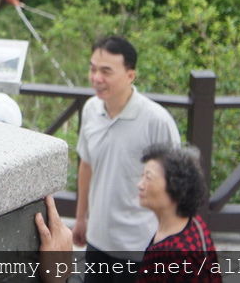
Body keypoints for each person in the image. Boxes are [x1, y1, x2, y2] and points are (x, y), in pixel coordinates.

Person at [73, 36, 180, 283]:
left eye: (106, 71)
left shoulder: (156, 120)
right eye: (93, 68)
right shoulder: (91, 109)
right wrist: (80, 219)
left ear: (130, 75)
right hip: (97, 239)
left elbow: (177, 184)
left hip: (139, 244)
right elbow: (86, 165)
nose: (96, 78)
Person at [136, 144, 222, 283]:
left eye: (148, 178)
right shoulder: (194, 223)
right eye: (142, 176)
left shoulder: (176, 256)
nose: (140, 184)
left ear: (175, 186)